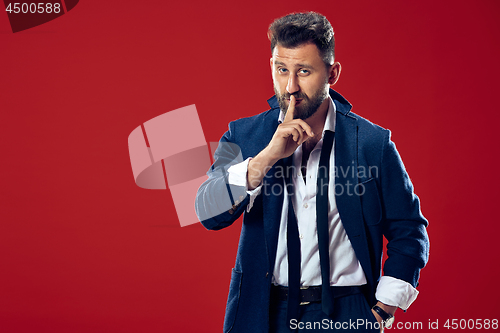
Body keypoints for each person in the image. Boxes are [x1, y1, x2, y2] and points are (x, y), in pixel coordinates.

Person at [195, 12, 429, 333]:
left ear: (332, 73)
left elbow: (410, 230)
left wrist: (382, 309)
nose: (290, 86)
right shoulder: (244, 135)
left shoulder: (372, 143)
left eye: (304, 71)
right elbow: (208, 212)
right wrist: (266, 157)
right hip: (261, 310)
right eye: (281, 70)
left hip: (347, 310)